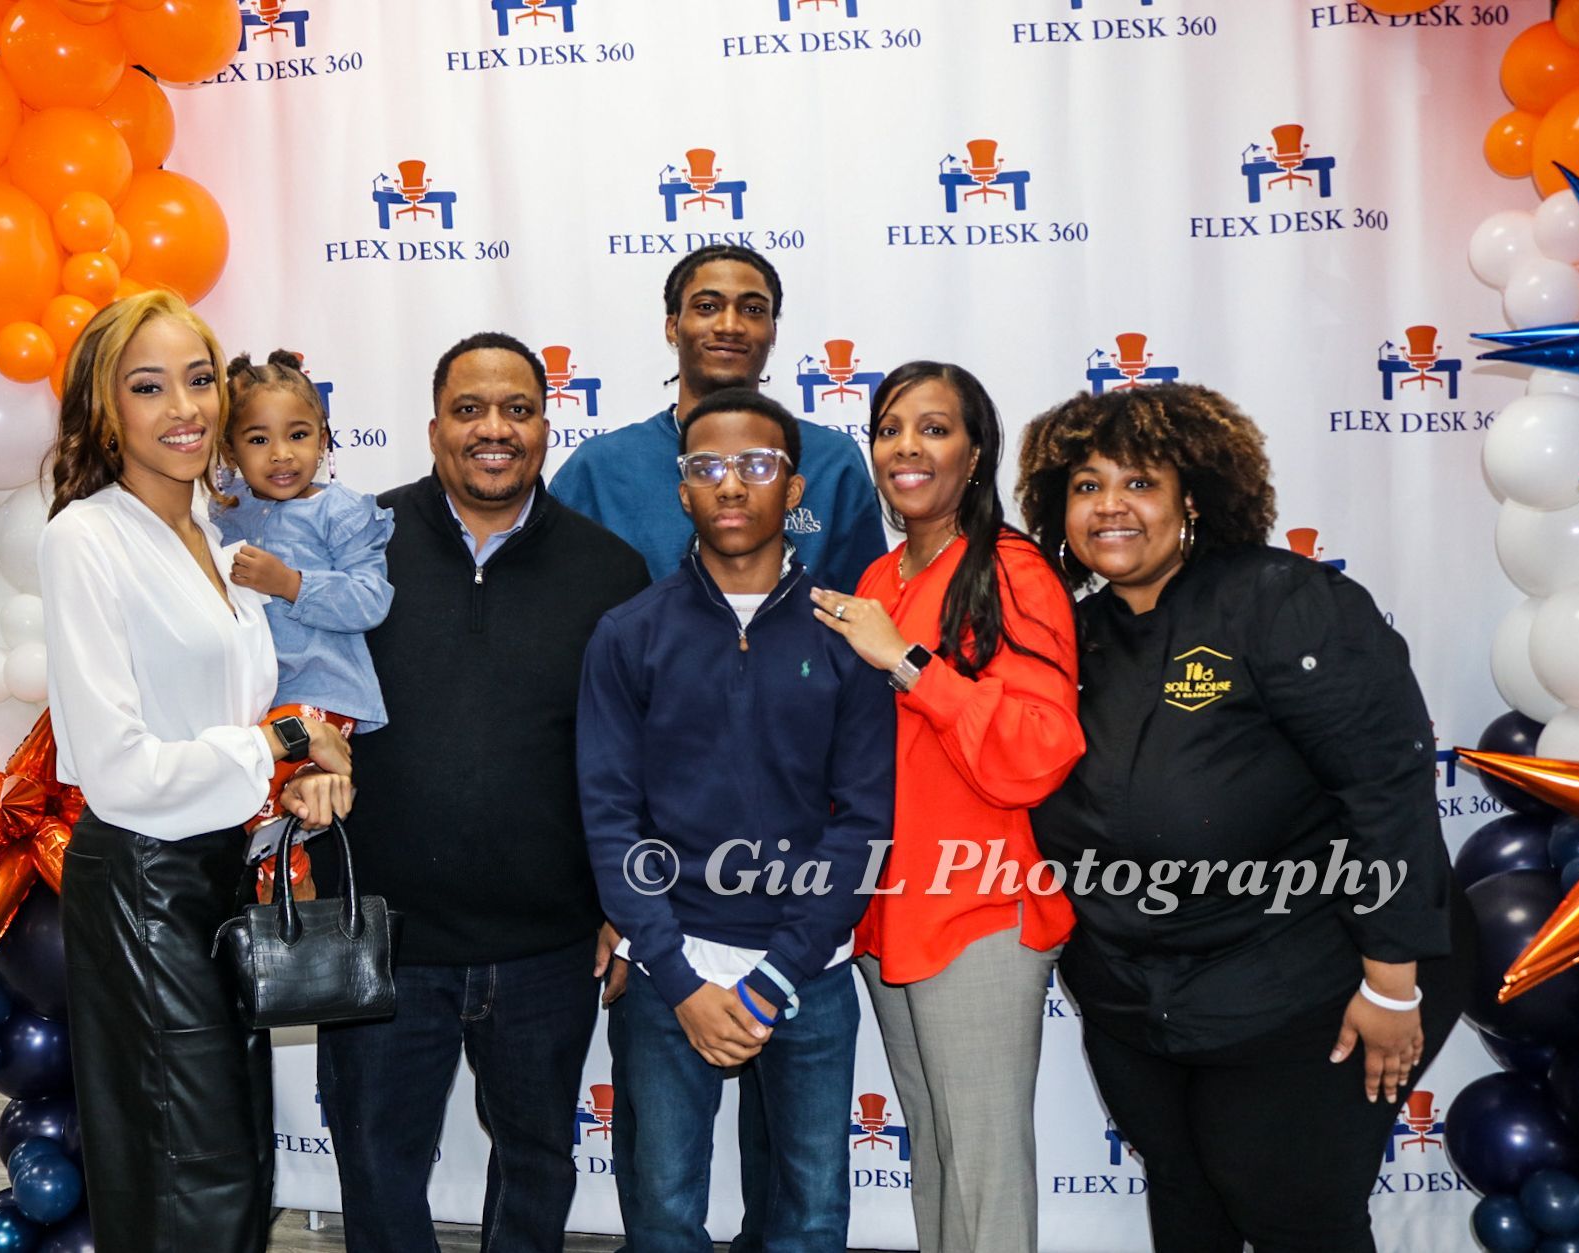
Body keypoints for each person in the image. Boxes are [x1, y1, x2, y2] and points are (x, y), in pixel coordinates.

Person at [1015, 382, 1466, 1253]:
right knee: (1186, 1202)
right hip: (1135, 1004)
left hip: (1308, 981)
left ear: (1193, 498)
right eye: (1085, 485)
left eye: (1139, 482)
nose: (1108, 505)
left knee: (1288, 1206)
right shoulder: (1071, 637)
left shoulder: (1282, 601)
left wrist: (1390, 981)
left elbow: (1386, 789)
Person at [550, 244, 885, 1244]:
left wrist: (783, 969)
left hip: (806, 957)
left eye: (757, 468)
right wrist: (657, 951)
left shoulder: (843, 630)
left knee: (807, 1208)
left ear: (793, 487)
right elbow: (606, 802)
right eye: (707, 470)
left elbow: (864, 812)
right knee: (661, 1206)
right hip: (666, 954)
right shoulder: (627, 622)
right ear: (681, 489)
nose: (732, 486)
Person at [313, 332, 649, 1253]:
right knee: (377, 1167)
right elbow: (290, 694)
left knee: (537, 1163)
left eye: (516, 410)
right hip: (381, 941)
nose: (493, 429)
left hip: (548, 947)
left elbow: (631, 759)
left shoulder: (609, 570)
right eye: (469, 410)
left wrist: (623, 905)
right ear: (433, 429)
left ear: (546, 427)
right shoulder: (356, 546)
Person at [38, 291, 355, 1252]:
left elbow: (226, 720)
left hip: (220, 873)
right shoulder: (85, 537)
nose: (183, 407)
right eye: (148, 386)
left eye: (198, 378)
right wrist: (282, 741)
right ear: (105, 409)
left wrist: (293, 764)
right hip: (142, 882)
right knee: (192, 1174)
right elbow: (119, 769)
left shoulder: (215, 542)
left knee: (235, 1162)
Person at [809, 361, 1081, 1253]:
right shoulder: (877, 576)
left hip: (978, 907)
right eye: (889, 429)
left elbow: (1038, 749)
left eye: (933, 428)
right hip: (891, 909)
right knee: (936, 1154)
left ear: (974, 454)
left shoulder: (1011, 569)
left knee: (982, 1171)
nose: (906, 448)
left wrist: (906, 662)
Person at [550, 243, 887, 592]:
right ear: (672, 327)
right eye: (707, 307)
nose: (730, 326)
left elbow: (867, 603)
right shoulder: (599, 469)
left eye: (752, 309)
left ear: (773, 332)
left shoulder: (832, 461)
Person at [213, 349, 394, 896]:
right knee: (243, 787)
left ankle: (289, 890)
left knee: (262, 781)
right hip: (251, 701)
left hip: (321, 692)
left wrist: (291, 583)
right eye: (258, 439)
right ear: (229, 449)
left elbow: (371, 600)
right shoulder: (222, 512)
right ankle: (286, 890)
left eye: (298, 435)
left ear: (324, 440)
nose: (282, 454)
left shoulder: (341, 512)